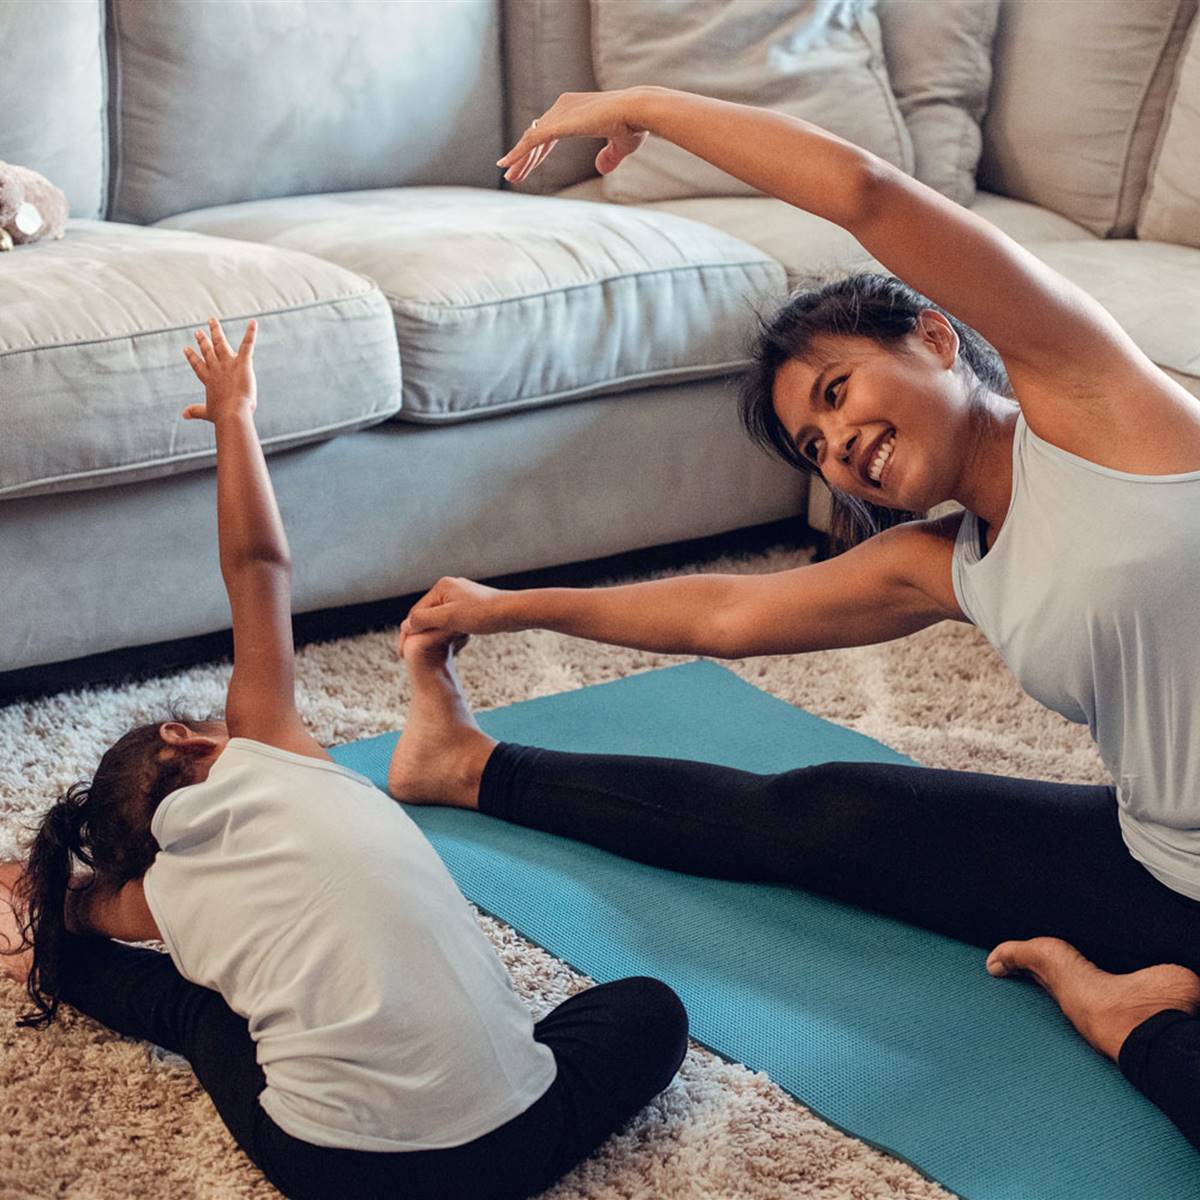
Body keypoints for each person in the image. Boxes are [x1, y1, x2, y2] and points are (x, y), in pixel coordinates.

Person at [391, 87, 1200, 1150]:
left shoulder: (1097, 402)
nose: (839, 443)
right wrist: (505, 607)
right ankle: (468, 767)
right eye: (812, 447)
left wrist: (639, 104)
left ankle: (1132, 1022)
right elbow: (724, 611)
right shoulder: (942, 562)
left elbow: (865, 193)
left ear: (936, 336)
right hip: (1162, 869)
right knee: (824, 814)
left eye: (835, 392)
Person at [0, 317, 687, 1200]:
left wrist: (45, 898)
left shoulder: (150, 898)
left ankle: (40, 956)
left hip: (345, 1177)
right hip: (519, 1139)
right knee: (652, 1010)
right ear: (186, 737)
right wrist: (235, 415)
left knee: (194, 1006)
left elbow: (83, 909)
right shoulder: (267, 746)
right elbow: (259, 567)